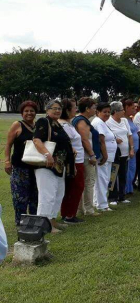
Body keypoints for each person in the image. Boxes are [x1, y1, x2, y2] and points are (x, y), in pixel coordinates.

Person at [33, 99, 75, 233]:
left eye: (59, 108)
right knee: (47, 196)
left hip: (59, 165)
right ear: (47, 110)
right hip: (47, 165)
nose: (57, 110)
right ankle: (44, 225)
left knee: (58, 194)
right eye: (54, 108)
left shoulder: (57, 124)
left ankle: (52, 220)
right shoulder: (43, 122)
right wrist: (47, 154)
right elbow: (36, 139)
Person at [4, 100, 38, 225]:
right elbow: (8, 145)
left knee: (35, 196)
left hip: (36, 168)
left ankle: (35, 222)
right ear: (22, 113)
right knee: (20, 197)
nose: (29, 113)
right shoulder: (17, 125)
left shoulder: (37, 126)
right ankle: (21, 223)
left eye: (32, 111)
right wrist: (7, 161)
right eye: (26, 111)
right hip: (20, 168)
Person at [59, 99, 85, 224]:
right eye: (74, 107)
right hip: (74, 161)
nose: (76, 110)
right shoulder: (64, 125)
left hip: (77, 160)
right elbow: (66, 143)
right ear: (67, 110)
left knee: (74, 187)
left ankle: (69, 213)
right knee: (76, 187)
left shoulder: (68, 124)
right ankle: (69, 215)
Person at [74, 97, 100, 217]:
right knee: (89, 182)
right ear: (87, 109)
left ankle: (82, 208)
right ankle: (88, 209)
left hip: (84, 156)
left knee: (84, 183)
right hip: (85, 157)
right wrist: (92, 155)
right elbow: (84, 139)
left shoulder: (83, 120)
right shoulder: (82, 121)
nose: (95, 110)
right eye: (94, 108)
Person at [107, 101, 134, 205]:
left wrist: (131, 148)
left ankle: (122, 196)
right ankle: (112, 197)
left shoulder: (124, 121)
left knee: (123, 174)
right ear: (115, 112)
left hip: (125, 153)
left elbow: (129, 135)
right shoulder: (108, 122)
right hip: (115, 153)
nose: (123, 111)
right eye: (121, 110)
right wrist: (114, 138)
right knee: (113, 175)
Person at [92, 102, 117, 212]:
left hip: (108, 156)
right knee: (102, 180)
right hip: (104, 157)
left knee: (104, 179)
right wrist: (105, 155)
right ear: (98, 112)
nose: (107, 114)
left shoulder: (103, 122)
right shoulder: (98, 122)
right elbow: (101, 139)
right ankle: (102, 205)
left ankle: (98, 201)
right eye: (104, 112)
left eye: (108, 112)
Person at [122, 99, 139, 194]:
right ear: (126, 108)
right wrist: (130, 148)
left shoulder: (130, 119)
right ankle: (125, 189)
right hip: (129, 150)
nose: (135, 109)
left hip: (134, 150)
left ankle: (129, 187)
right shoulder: (123, 120)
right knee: (127, 169)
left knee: (132, 169)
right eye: (132, 108)